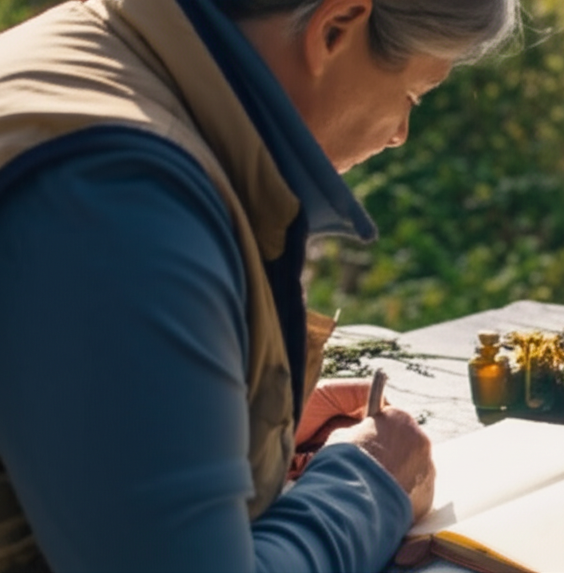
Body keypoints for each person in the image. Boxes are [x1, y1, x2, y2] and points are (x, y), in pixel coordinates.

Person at [0, 0, 519, 571]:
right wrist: (368, 484)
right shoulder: (122, 198)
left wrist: (240, 422)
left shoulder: (98, 65)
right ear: (336, 28)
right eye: (413, 95)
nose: (400, 133)